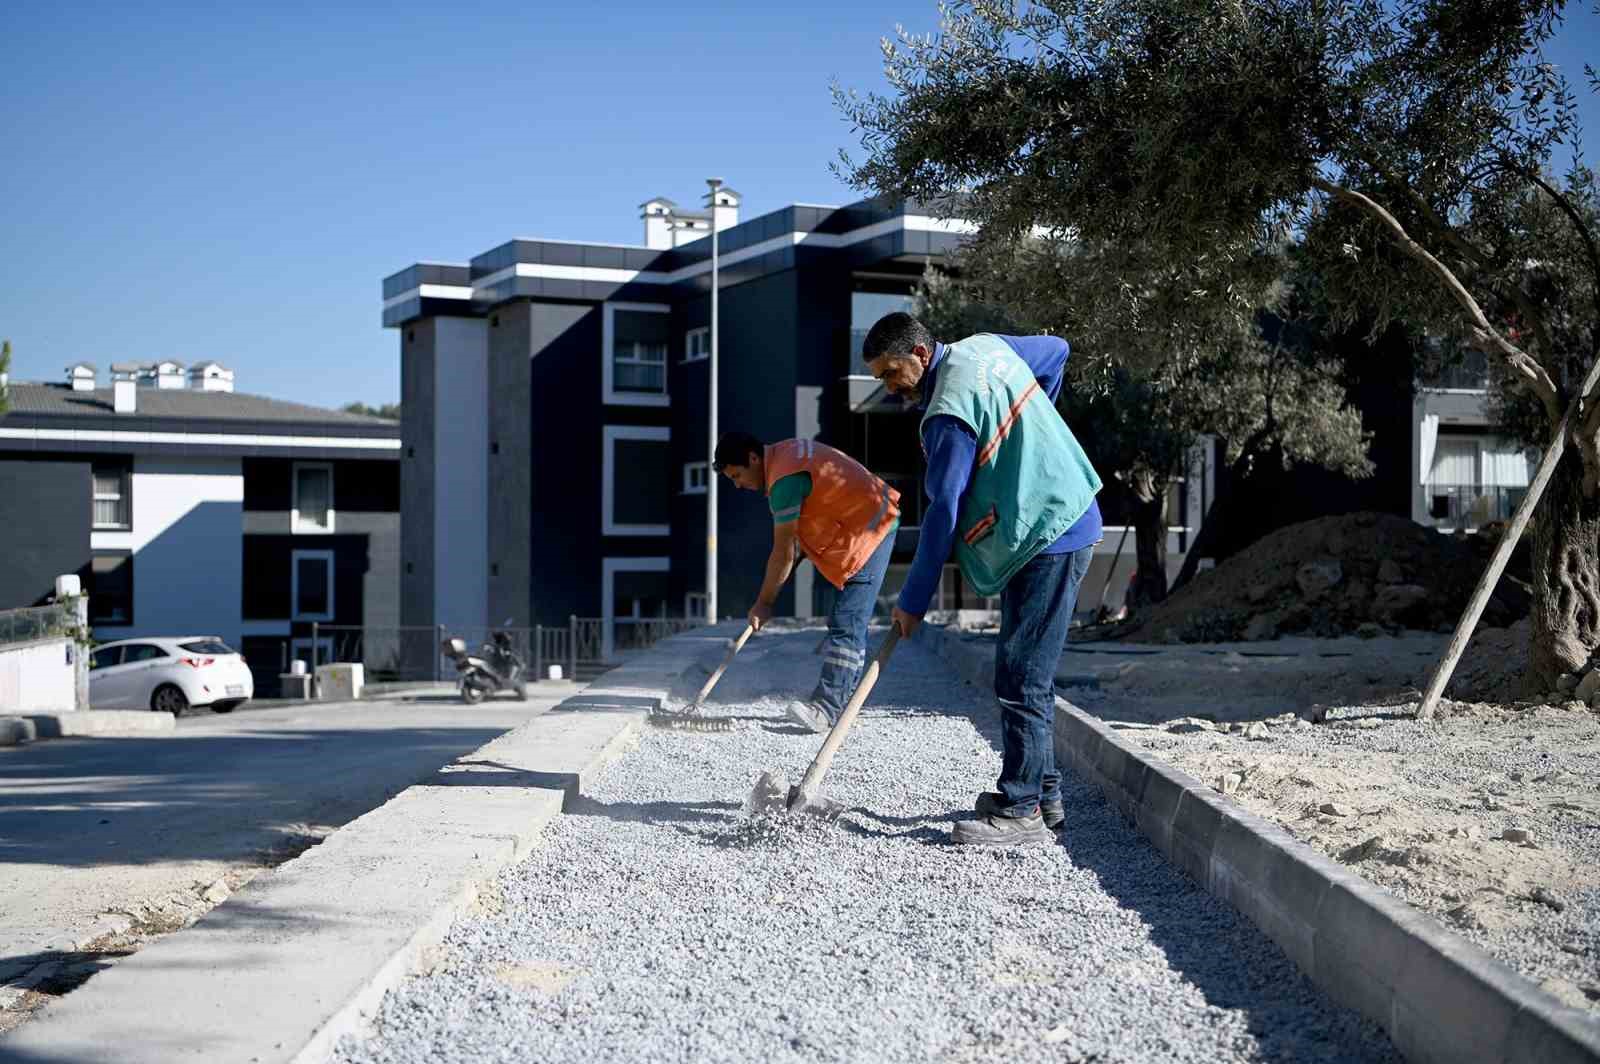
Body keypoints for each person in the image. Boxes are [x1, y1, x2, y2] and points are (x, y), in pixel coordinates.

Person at [862, 312, 1103, 847]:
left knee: (1021, 675)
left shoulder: (947, 413)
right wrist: (1032, 438)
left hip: (1051, 530)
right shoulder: (986, 348)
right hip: (1050, 522)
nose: (889, 385)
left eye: (890, 372)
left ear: (920, 355)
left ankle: (1021, 813)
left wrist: (914, 600)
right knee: (1024, 667)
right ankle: (1044, 794)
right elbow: (1057, 347)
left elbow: (943, 513)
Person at [713, 431, 900, 733]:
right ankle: (842, 702)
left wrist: (764, 603)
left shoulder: (783, 480)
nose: (738, 485)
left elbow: (784, 551)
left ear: (752, 458)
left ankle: (826, 709)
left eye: (737, 475)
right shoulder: (784, 455)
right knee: (848, 621)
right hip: (868, 521)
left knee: (846, 620)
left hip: (871, 529)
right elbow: (797, 544)